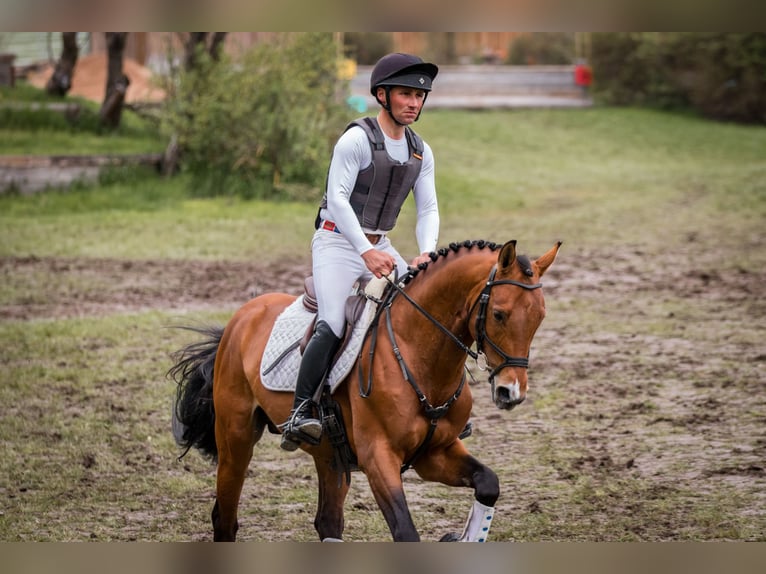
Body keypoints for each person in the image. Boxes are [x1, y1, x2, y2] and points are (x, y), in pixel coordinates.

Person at [280, 53, 441, 451]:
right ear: (382, 95)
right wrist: (364, 252)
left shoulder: (421, 152)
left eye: (420, 96)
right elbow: (336, 199)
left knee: (422, 313)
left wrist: (427, 253)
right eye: (406, 94)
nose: (414, 103)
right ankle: (300, 412)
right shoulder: (356, 139)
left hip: (381, 242)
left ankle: (427, 405)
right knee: (333, 321)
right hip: (337, 240)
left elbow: (429, 208)